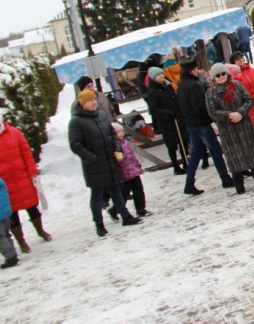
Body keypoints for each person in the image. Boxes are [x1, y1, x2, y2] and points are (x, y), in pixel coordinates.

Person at [0, 108, 51, 254]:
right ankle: (21, 241)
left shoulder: (15, 133)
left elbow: (26, 153)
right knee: (12, 214)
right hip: (2, 183)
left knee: (32, 207)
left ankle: (40, 230)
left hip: (21, 177)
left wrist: (32, 172)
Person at [68, 90, 141, 236]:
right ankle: (99, 225)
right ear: (83, 104)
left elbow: (112, 134)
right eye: (90, 100)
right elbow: (75, 144)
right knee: (97, 195)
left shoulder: (101, 115)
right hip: (94, 166)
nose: (94, 102)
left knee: (116, 190)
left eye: (95, 99)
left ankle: (125, 216)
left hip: (110, 160)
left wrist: (117, 148)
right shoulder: (76, 121)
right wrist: (92, 158)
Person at [176, 58, 234, 195]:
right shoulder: (193, 85)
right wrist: (211, 116)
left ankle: (189, 183)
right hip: (201, 123)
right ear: (192, 70)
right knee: (216, 150)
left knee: (196, 154)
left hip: (191, 124)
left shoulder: (181, 84)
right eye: (196, 69)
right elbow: (199, 106)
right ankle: (225, 178)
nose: (198, 71)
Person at [205, 63, 254, 194]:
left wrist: (240, 112)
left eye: (222, 74)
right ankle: (240, 186)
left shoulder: (237, 85)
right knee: (234, 157)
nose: (221, 77)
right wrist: (228, 115)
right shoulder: (210, 93)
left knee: (252, 153)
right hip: (228, 130)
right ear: (213, 78)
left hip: (244, 125)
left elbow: (249, 100)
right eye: (217, 75)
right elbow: (212, 111)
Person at [146, 67, 189, 175]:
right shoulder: (153, 92)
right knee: (172, 145)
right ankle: (176, 166)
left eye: (161, 74)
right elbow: (153, 110)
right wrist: (167, 113)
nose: (161, 76)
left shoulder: (168, 85)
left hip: (177, 118)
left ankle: (185, 162)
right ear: (153, 78)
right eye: (158, 75)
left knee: (183, 141)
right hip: (167, 122)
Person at [114, 124, 150, 217]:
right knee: (124, 193)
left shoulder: (125, 142)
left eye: (121, 131)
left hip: (133, 169)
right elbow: (118, 160)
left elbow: (132, 155)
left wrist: (137, 164)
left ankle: (141, 209)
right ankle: (115, 210)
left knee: (138, 190)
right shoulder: (114, 145)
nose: (121, 133)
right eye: (118, 132)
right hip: (124, 172)